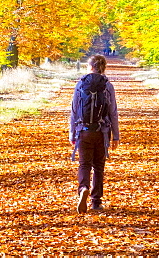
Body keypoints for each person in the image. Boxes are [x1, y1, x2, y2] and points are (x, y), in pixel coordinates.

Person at [69, 54, 119, 213]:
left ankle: (83, 188)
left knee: (84, 164)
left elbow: (74, 111)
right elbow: (113, 112)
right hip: (102, 132)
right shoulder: (107, 86)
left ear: (90, 67)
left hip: (83, 130)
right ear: (104, 67)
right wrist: (116, 136)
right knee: (98, 166)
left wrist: (72, 133)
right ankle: (96, 201)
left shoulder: (81, 84)